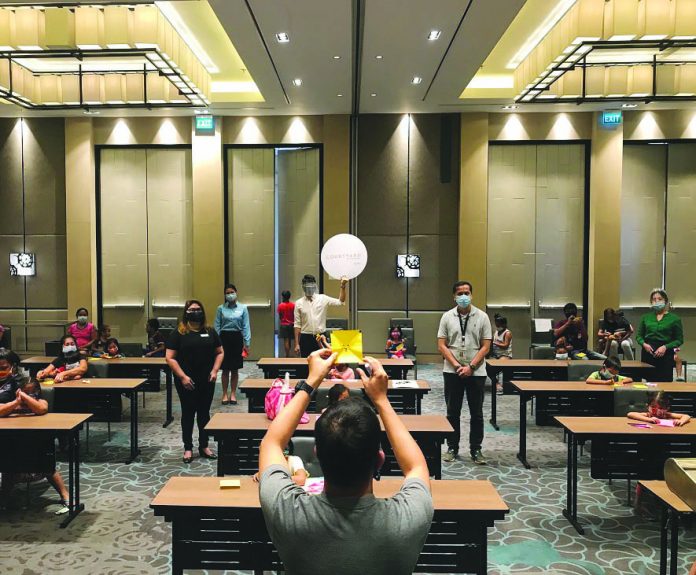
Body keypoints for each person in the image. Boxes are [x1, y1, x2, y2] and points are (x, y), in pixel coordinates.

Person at [259, 351, 433, 575]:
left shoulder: (288, 512)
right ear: (379, 460)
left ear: (317, 455)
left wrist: (311, 381)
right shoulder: (407, 519)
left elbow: (271, 443)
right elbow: (416, 466)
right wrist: (381, 400)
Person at [0, 348, 70, 515]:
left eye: (3, 367)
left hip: (32, 429)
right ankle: (3, 499)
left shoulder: (21, 382)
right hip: (6, 432)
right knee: (8, 465)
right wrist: (16, 402)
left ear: (13, 366)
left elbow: (41, 408)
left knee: (45, 463)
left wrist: (23, 398)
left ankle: (65, 495)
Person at [437, 281, 492, 465]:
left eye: (467, 292)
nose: (463, 296)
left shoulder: (482, 317)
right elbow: (441, 345)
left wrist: (471, 367)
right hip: (452, 371)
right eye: (460, 293)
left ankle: (476, 449)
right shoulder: (446, 317)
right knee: (453, 412)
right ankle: (452, 447)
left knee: (476, 413)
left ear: (472, 295)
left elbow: (486, 346)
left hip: (476, 372)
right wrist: (456, 365)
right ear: (454, 296)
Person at [166, 300, 224, 464]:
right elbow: (170, 358)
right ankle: (188, 448)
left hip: (207, 379)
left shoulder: (210, 331)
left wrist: (215, 370)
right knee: (188, 413)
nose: (195, 312)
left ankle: (204, 446)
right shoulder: (178, 333)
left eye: (198, 309)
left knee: (204, 413)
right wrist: (183, 377)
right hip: (186, 380)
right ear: (186, 313)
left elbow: (220, 352)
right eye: (192, 310)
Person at [294, 274, 347, 357]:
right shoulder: (298, 303)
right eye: (306, 287)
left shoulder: (323, 298)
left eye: (311, 286)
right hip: (305, 337)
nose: (309, 289)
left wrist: (342, 286)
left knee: (323, 361)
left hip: (320, 336)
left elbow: (341, 301)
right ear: (303, 288)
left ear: (315, 286)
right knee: (306, 362)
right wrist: (297, 343)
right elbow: (297, 325)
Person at [214, 284, 250, 406]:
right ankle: (224, 393)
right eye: (227, 293)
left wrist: (247, 343)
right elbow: (217, 326)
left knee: (234, 369)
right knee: (225, 369)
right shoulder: (220, 309)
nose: (230, 294)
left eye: (232, 292)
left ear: (236, 292)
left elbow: (246, 326)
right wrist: (216, 343)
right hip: (224, 339)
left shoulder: (243, 308)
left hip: (237, 338)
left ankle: (233, 393)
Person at [636, 289, 684, 382]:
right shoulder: (645, 317)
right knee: (649, 383)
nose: (656, 301)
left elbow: (679, 340)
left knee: (664, 382)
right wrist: (644, 344)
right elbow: (639, 336)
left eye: (659, 299)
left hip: (665, 354)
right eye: (654, 299)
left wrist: (665, 347)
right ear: (651, 302)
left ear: (665, 300)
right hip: (648, 352)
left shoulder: (675, 319)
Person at [277, 290, 295, 358]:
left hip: (284, 324)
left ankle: (287, 355)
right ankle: (291, 354)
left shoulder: (280, 306)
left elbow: (280, 316)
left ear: (283, 297)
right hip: (292, 324)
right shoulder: (293, 305)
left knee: (286, 340)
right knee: (290, 339)